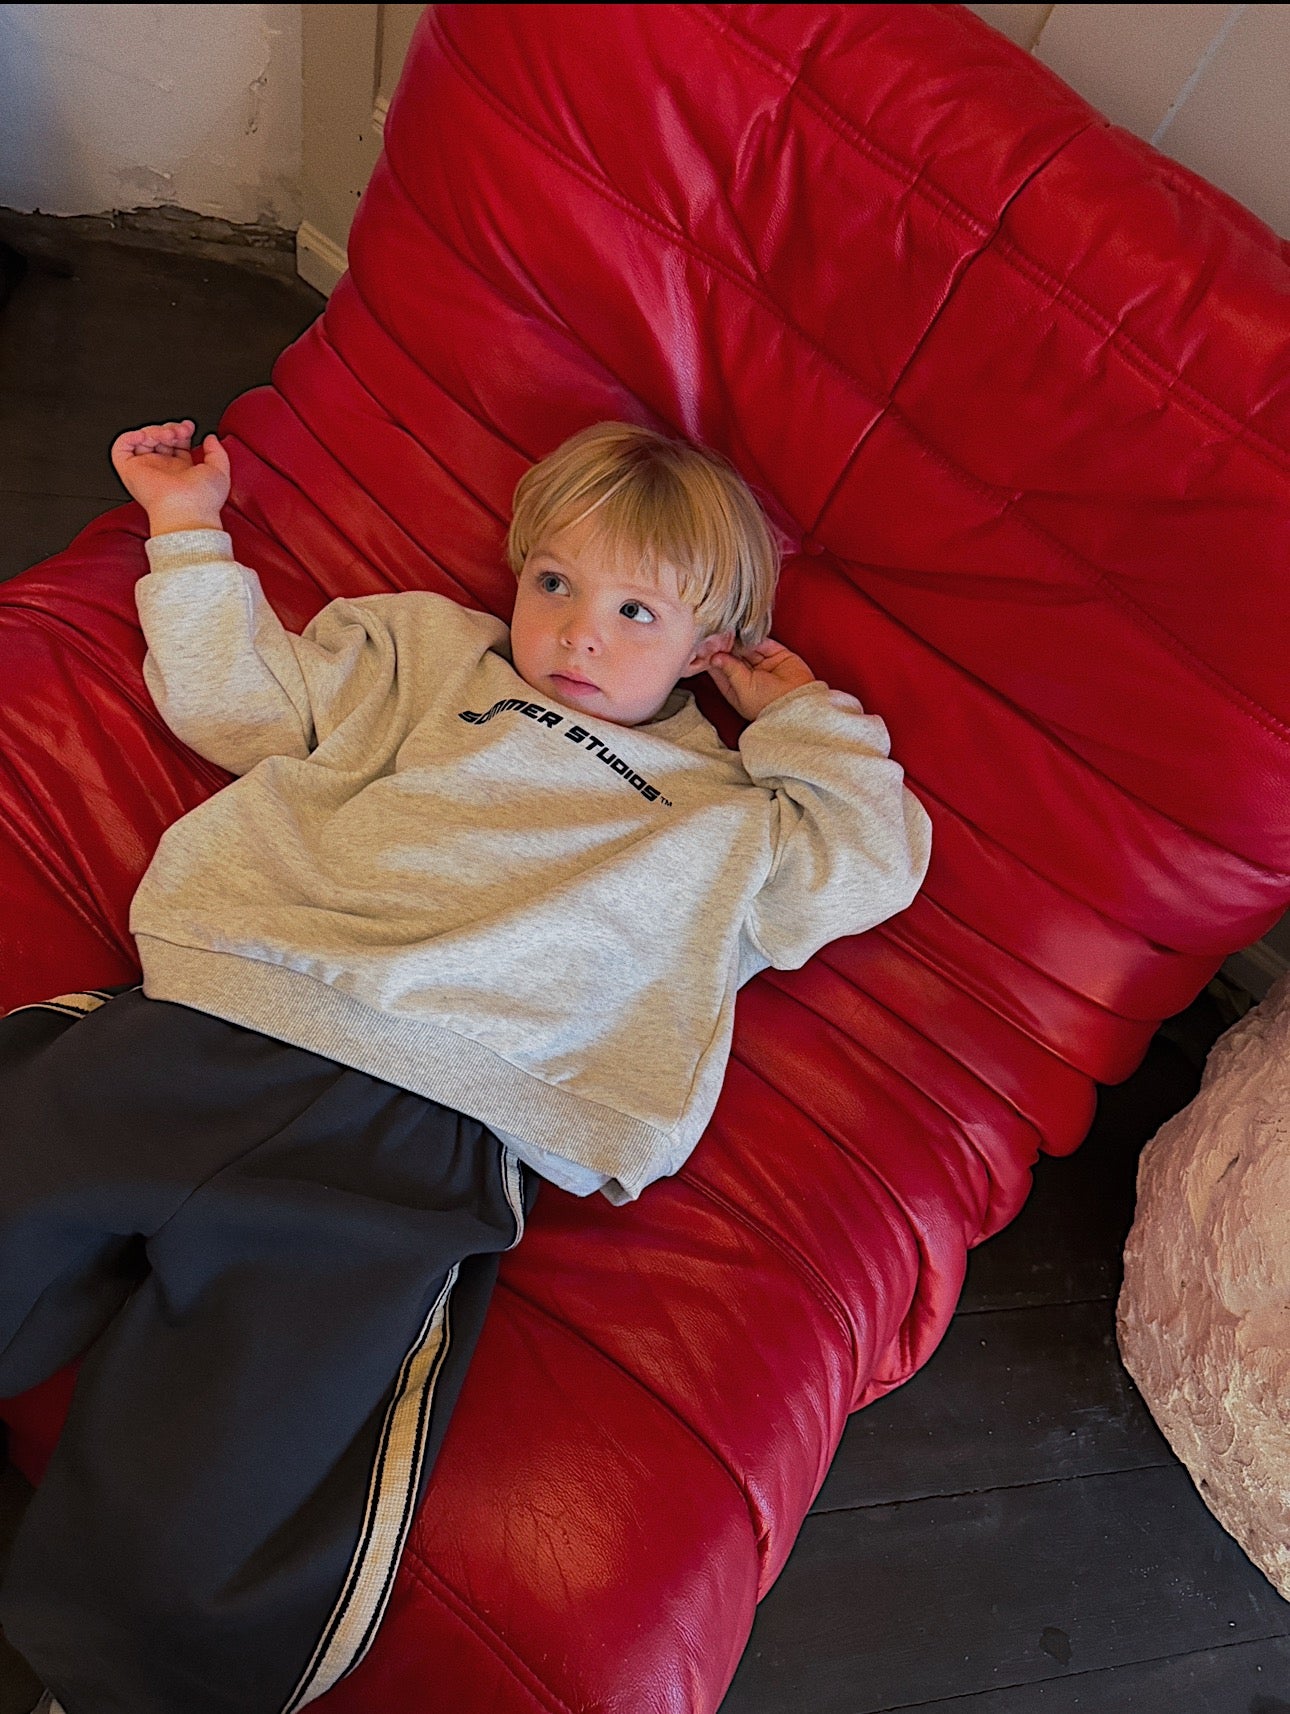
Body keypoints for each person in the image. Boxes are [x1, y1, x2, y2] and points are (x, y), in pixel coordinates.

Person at [0, 417, 932, 1714]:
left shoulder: (742, 816)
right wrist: (185, 525)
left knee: (235, 1460)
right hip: (223, 1016)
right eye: (553, 581)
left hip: (431, 1127)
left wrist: (797, 716)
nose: (578, 634)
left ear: (709, 647)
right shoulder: (424, 654)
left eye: (634, 610)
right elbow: (236, 703)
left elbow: (874, 861)